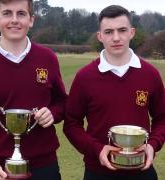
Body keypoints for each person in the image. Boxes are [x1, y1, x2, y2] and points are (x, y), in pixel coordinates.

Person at [64, 5, 165, 180]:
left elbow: (162, 118)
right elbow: (71, 124)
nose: (116, 37)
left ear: (132, 32)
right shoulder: (85, 77)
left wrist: (152, 145)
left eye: (122, 30)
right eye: (109, 32)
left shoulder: (150, 74)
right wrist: (97, 149)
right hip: (98, 172)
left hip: (142, 172)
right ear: (100, 36)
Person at [0, 0, 67, 179]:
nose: (14, 20)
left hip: (44, 166)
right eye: (7, 13)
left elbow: (62, 102)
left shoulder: (48, 58)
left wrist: (52, 113)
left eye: (21, 14)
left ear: (31, 20)